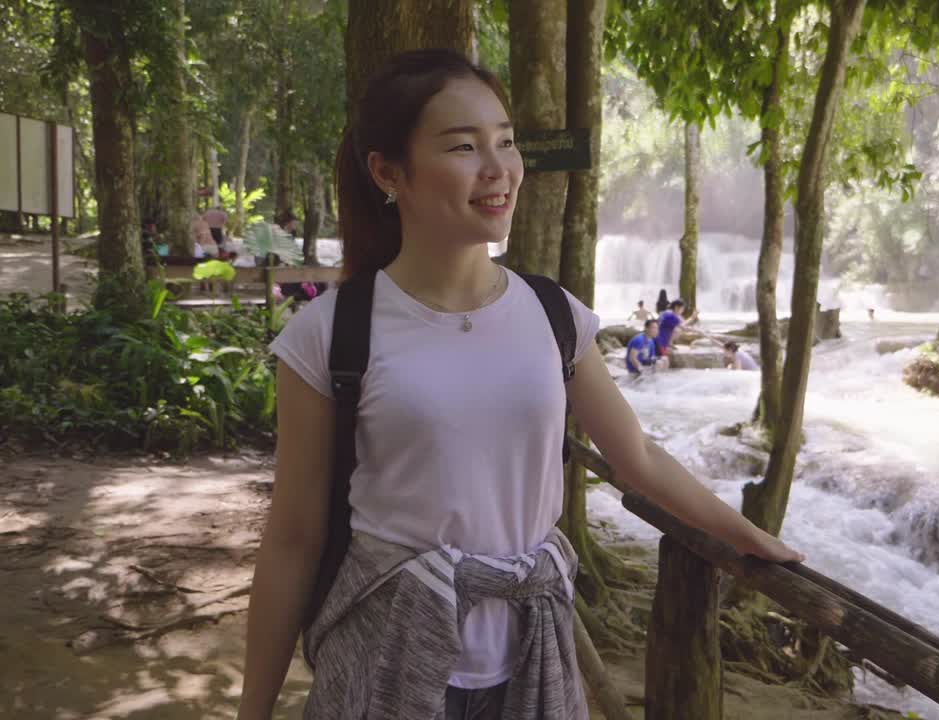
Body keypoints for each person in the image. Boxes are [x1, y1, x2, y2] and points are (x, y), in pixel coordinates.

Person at [237, 48, 800, 720]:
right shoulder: (330, 334)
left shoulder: (553, 313)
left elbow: (637, 457)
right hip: (386, 655)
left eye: (506, 141)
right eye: (464, 146)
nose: (498, 168)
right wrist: (254, 711)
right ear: (389, 173)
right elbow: (295, 536)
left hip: (531, 655)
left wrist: (748, 537)